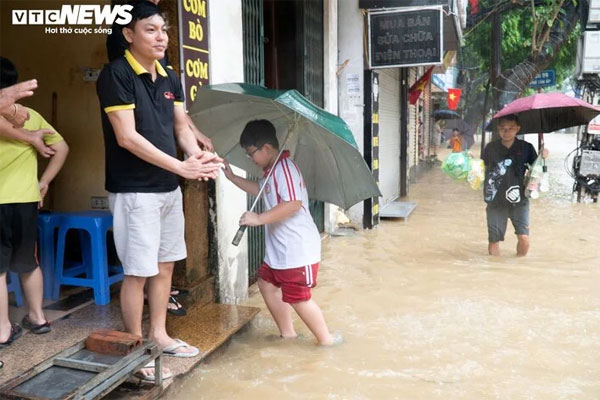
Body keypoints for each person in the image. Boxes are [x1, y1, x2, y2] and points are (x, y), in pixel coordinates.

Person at [96, 1, 222, 381]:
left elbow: (181, 126)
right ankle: (134, 349)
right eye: (150, 29)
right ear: (129, 35)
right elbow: (127, 137)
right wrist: (182, 166)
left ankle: (159, 335)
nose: (161, 36)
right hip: (135, 191)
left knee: (166, 265)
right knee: (138, 270)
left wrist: (197, 157)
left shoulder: (169, 75)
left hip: (168, 187)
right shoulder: (115, 74)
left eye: (163, 29)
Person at [222, 119, 341, 346]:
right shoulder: (271, 170)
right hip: (280, 250)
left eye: (251, 153)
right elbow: (261, 190)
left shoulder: (285, 168)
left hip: (297, 249)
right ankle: (288, 334)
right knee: (266, 283)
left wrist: (259, 218)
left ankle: (327, 342)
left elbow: (293, 203)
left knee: (299, 299)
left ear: (266, 148)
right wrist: (232, 178)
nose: (250, 159)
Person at [0, 57, 69, 348]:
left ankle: (3, 329)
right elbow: (62, 147)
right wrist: (45, 181)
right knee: (29, 262)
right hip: (26, 199)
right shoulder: (31, 116)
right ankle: (38, 317)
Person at [482, 115, 548, 257]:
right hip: (495, 200)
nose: (506, 132)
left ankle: (520, 264)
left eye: (510, 128)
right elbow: (482, 169)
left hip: (520, 199)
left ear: (517, 129)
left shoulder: (527, 148)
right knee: (494, 239)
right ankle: (496, 269)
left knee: (524, 238)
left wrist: (542, 158)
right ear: (498, 130)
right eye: (502, 129)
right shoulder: (490, 148)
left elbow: (536, 172)